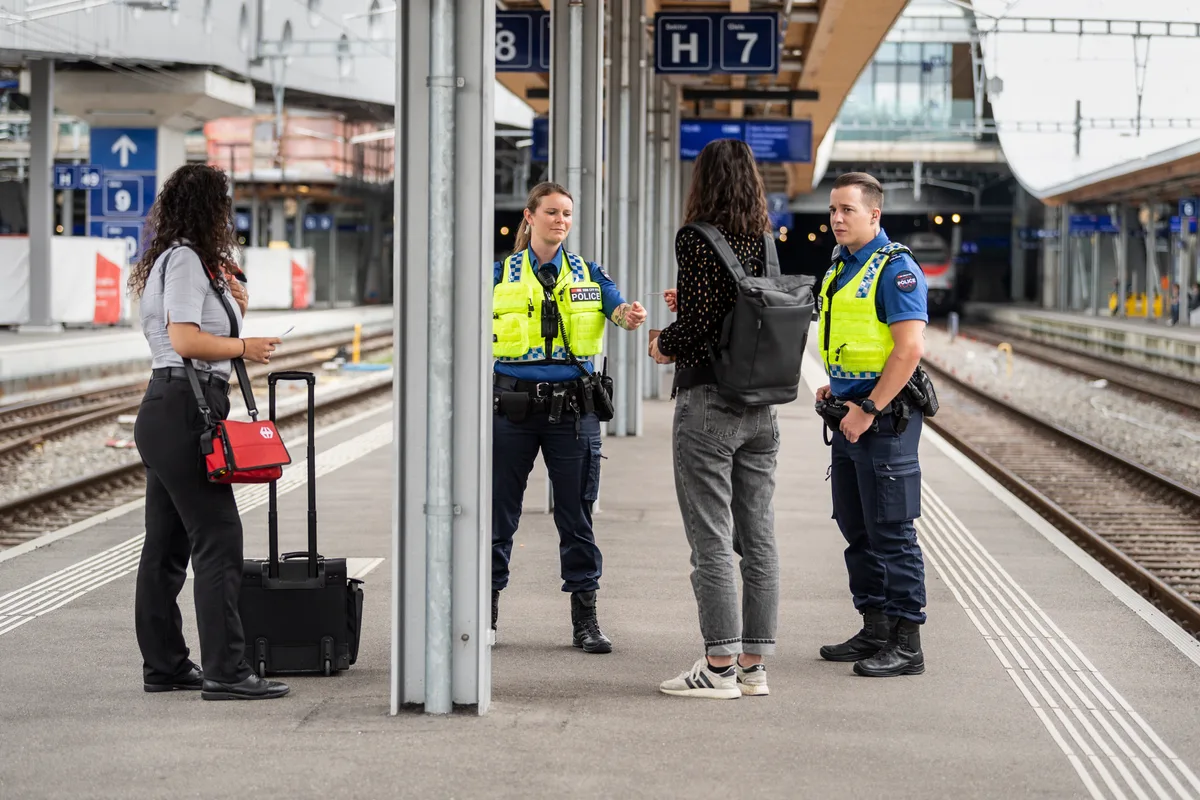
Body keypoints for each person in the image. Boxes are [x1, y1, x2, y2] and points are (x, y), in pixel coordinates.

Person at [128, 164, 289, 701]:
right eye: (224, 205)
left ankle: (166, 666)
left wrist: (235, 307)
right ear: (209, 209)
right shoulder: (187, 261)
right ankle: (226, 669)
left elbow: (194, 331)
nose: (228, 215)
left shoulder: (175, 260)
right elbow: (187, 339)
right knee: (219, 541)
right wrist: (248, 346)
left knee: (167, 548)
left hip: (168, 407)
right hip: (184, 407)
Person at [649, 139, 781, 699]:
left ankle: (719, 667)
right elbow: (741, 311)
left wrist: (664, 343)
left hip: (709, 405)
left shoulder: (696, 238)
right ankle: (753, 667)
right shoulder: (766, 242)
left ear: (702, 180)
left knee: (711, 539)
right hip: (762, 410)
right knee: (759, 538)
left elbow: (701, 327)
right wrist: (695, 305)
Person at [491, 181, 646, 654]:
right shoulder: (498, 273)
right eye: (553, 212)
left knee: (576, 517)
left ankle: (586, 620)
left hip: (573, 410)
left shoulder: (588, 273)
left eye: (567, 214)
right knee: (499, 517)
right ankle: (485, 615)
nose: (561, 220)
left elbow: (616, 309)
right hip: (512, 407)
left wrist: (628, 313)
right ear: (530, 216)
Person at [816, 171, 929, 678]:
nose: (837, 218)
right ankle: (875, 627)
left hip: (884, 421)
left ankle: (907, 643)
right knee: (855, 527)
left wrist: (868, 409)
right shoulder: (840, 267)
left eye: (848, 210)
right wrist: (836, 388)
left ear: (874, 214)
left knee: (891, 531)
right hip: (850, 414)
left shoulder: (896, 270)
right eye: (834, 210)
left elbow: (909, 350)